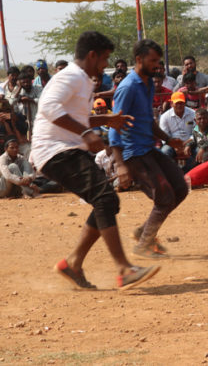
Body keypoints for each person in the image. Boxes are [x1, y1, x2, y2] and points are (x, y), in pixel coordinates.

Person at [30, 31, 159, 290]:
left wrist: (105, 120)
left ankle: (73, 263)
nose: (105, 65)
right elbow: (48, 107)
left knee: (106, 201)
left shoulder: (83, 80)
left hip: (66, 150)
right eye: (104, 59)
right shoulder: (71, 75)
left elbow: (75, 116)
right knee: (105, 199)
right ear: (92, 55)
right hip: (55, 150)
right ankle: (123, 269)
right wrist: (87, 133)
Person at [110, 39, 189, 259]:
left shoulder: (146, 84)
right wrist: (120, 165)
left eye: (158, 60)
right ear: (139, 59)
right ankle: (144, 244)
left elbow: (148, 121)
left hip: (148, 148)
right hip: (133, 153)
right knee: (164, 198)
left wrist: (168, 139)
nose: (157, 65)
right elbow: (114, 128)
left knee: (180, 188)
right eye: (152, 60)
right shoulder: (127, 87)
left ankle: (143, 231)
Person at [159, 91, 196, 169]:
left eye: (181, 103)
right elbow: (164, 136)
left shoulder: (193, 114)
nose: (179, 105)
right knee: (165, 152)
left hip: (190, 142)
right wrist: (175, 145)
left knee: (199, 151)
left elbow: (196, 132)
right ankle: (169, 175)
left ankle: (192, 174)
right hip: (171, 144)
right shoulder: (165, 117)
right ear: (171, 104)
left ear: (185, 103)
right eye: (177, 103)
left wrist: (188, 144)